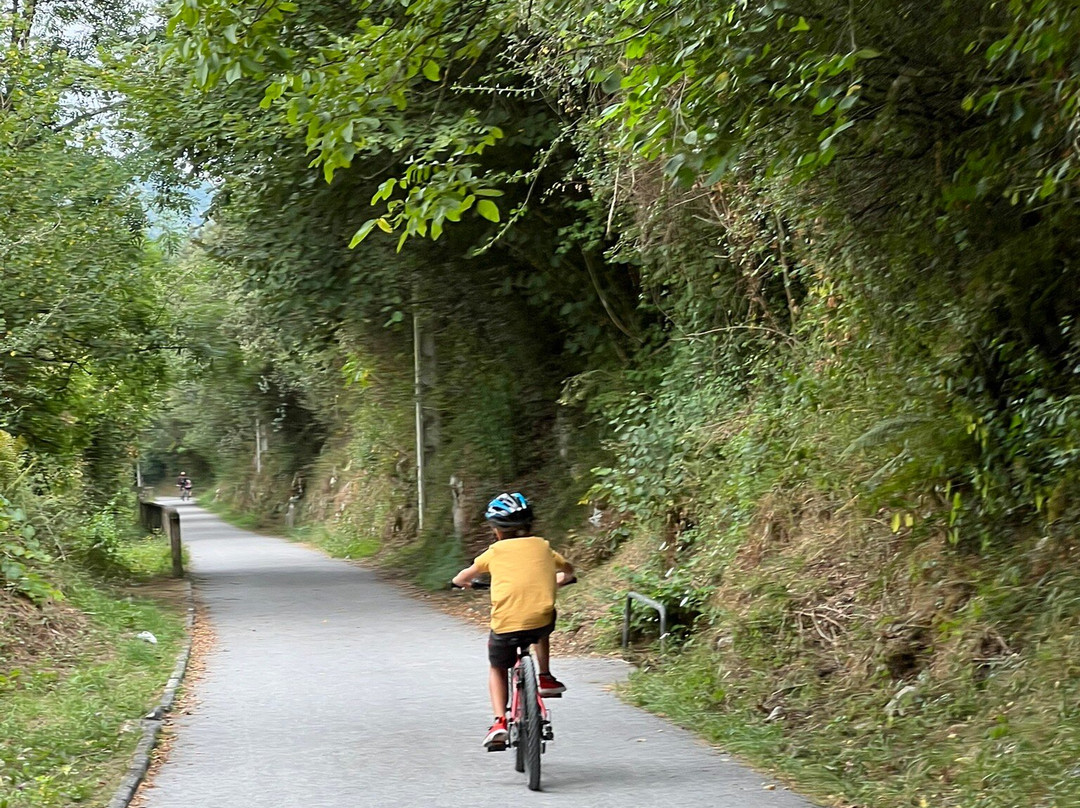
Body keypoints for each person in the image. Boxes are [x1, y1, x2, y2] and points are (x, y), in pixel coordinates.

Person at [451, 492, 575, 749]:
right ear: (530, 525)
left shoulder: (494, 552)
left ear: (496, 530)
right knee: (542, 623)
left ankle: (499, 722)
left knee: (497, 666)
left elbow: (463, 576)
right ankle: (545, 676)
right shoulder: (543, 547)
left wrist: (463, 583)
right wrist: (558, 581)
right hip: (540, 620)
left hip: (505, 625)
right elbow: (568, 570)